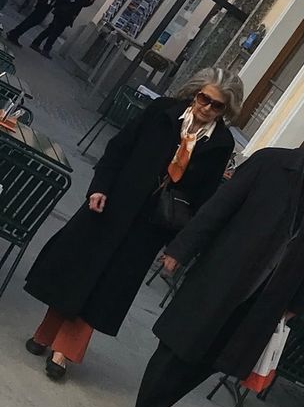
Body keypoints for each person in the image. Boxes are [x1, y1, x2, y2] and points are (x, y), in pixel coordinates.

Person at [111, 119, 304, 407]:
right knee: (173, 347)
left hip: (265, 297)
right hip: (220, 275)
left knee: (213, 359)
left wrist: (296, 302)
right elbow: (219, 208)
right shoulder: (270, 163)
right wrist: (181, 249)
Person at [23, 69, 241, 381]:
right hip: (113, 205)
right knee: (77, 270)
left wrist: (178, 246)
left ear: (226, 109)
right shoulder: (162, 111)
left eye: (216, 105)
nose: (206, 107)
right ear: (195, 92)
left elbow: (203, 199)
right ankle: (45, 333)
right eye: (203, 98)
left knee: (108, 287)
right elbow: (120, 147)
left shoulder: (220, 143)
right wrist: (98, 187)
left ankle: (64, 351)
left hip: (151, 226)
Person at [29, 0, 100, 56]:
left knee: (51, 29)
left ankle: (36, 43)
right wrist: (89, 2)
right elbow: (78, 3)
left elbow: (78, 2)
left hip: (62, 10)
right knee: (55, 32)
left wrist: (89, 2)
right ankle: (46, 49)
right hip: (66, 13)